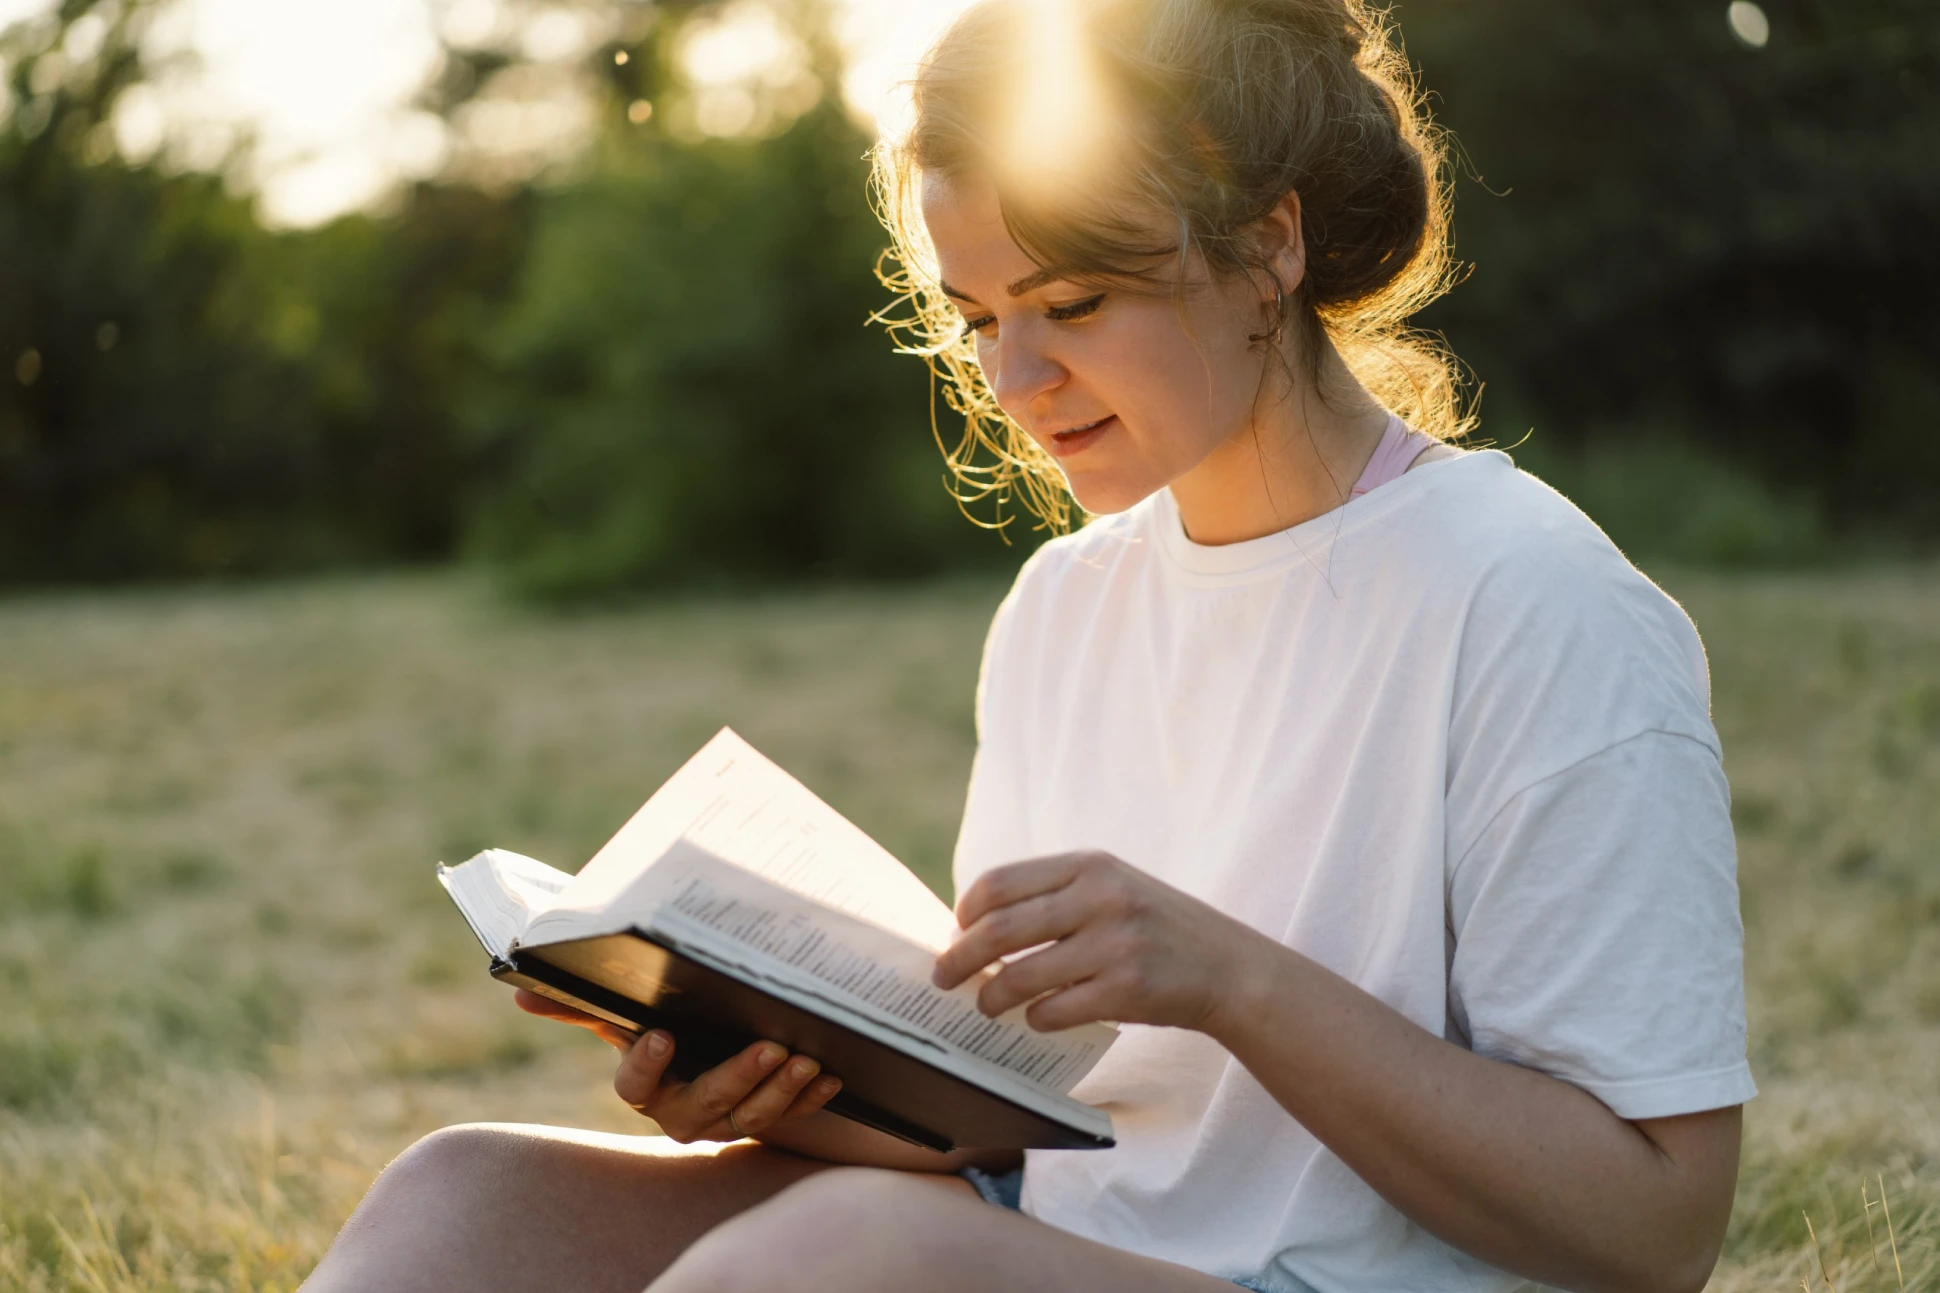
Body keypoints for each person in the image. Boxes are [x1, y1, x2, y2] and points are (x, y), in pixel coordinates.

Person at [301, 0, 1754, 1290]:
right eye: (977, 314)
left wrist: (1231, 982)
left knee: (834, 1261)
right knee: (463, 1195)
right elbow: (1021, 1134)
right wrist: (762, 1079)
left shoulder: (1537, 604)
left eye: (1072, 303)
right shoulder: (1066, 602)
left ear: (1267, 248)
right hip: (1059, 1241)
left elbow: (1655, 1231)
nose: (1013, 376)